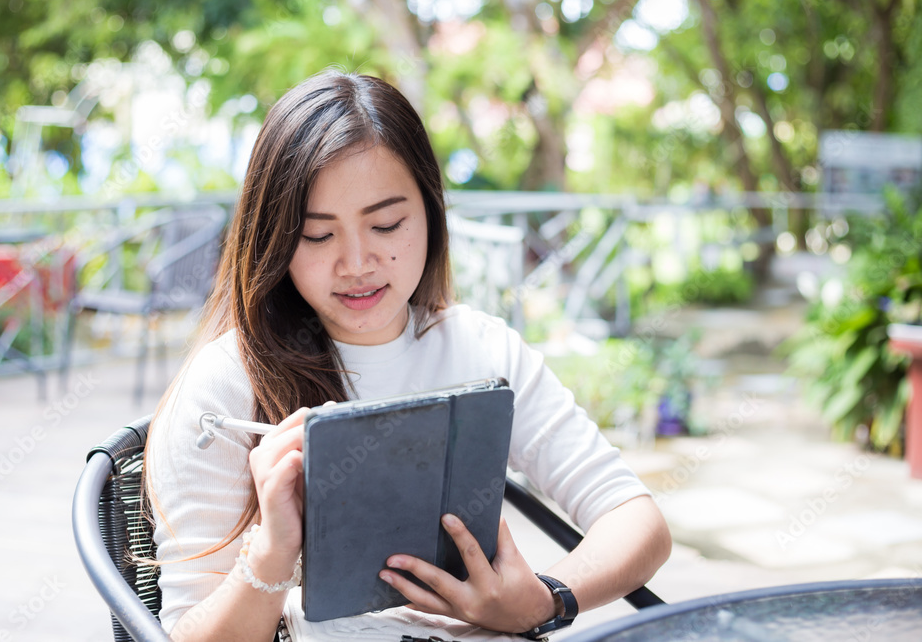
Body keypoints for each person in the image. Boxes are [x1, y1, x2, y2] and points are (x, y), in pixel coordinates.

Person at [144, 70, 671, 642]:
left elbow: (636, 521)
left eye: (387, 224)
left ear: (431, 214)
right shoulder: (223, 390)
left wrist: (544, 600)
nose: (356, 262)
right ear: (274, 239)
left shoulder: (482, 351)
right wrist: (271, 554)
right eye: (318, 236)